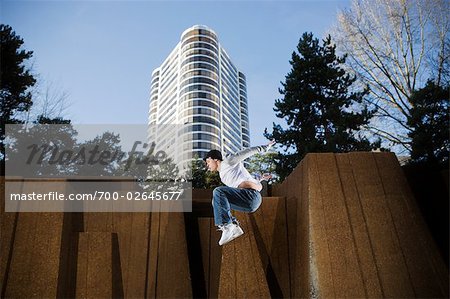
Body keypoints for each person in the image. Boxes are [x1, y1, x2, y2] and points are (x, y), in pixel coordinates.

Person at [203, 140, 275, 245]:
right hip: (246, 202)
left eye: (208, 162)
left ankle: (227, 226)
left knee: (218, 191)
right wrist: (261, 178)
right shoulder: (222, 176)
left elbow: (247, 152)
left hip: (251, 196)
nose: (207, 166)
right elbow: (244, 180)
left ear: (215, 159)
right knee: (216, 201)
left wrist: (264, 147)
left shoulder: (228, 161)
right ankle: (234, 226)